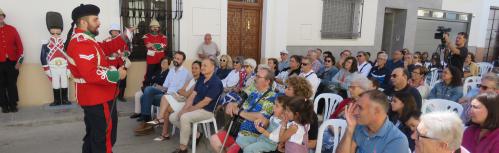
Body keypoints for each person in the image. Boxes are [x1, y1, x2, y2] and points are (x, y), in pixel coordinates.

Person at [65, 4, 127, 152]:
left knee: (94, 135)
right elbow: (91, 73)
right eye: (95, 19)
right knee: (105, 138)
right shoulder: (81, 43)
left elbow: (103, 48)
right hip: (98, 97)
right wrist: (117, 74)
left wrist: (124, 36)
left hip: (94, 97)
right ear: (83, 22)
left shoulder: (86, 39)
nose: (99, 22)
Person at [209, 67, 277, 153]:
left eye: (258, 77)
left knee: (231, 150)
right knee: (214, 139)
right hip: (236, 129)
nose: (255, 79)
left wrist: (240, 112)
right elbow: (241, 105)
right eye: (256, 76)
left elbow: (261, 117)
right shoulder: (254, 92)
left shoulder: (272, 96)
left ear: (267, 81)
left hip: (250, 135)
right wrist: (232, 104)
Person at [170, 58, 223, 153]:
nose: (202, 68)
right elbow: (192, 96)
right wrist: (184, 109)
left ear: (213, 67)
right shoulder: (201, 78)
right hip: (195, 108)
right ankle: (196, 134)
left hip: (207, 111)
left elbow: (205, 102)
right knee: (173, 117)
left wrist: (188, 111)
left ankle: (183, 148)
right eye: (202, 65)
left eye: (205, 66)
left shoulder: (216, 82)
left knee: (184, 117)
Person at [135, 51, 190, 135]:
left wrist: (169, 93)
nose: (175, 60)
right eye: (175, 58)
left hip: (173, 98)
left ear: (182, 61)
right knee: (148, 90)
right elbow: (165, 87)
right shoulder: (171, 71)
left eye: (178, 59)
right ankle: (147, 121)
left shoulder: (185, 73)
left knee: (144, 97)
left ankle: (147, 123)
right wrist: (156, 86)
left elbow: (184, 89)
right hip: (165, 93)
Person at [337, 90, 409, 153]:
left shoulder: (397, 140)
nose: (355, 112)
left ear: (377, 111)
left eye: (360, 108)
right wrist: (349, 129)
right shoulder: (360, 125)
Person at [150, 61, 202, 141]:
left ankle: (160, 120)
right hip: (182, 100)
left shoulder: (199, 81)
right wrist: (183, 92)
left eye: (196, 68)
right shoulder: (192, 80)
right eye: (192, 68)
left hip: (189, 104)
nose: (193, 70)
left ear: (201, 69)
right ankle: (164, 132)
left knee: (165, 100)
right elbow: (180, 90)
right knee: (166, 103)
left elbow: (187, 94)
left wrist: (183, 92)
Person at [41, 11, 71, 106]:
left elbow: (69, 56)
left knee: (64, 83)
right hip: (53, 67)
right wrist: (46, 69)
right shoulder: (46, 44)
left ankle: (65, 100)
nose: (55, 34)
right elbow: (42, 57)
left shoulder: (65, 44)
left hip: (64, 67)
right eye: (53, 31)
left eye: (57, 31)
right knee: (55, 84)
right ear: (50, 30)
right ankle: (57, 101)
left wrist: (69, 68)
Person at [100, 23, 132, 102]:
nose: (115, 32)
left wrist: (124, 53)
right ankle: (112, 95)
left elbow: (128, 51)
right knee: (112, 79)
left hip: (121, 61)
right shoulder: (106, 40)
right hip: (111, 62)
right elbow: (103, 52)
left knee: (123, 79)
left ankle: (121, 96)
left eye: (116, 31)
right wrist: (111, 54)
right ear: (110, 32)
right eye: (113, 31)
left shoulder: (123, 39)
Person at [0, 8, 23, 113]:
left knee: (12, 84)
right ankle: (4, 105)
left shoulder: (12, 29)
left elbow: (20, 46)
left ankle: (13, 104)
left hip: (12, 62)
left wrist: (19, 61)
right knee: (1, 85)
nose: (0, 18)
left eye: (1, 15)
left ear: (4, 17)